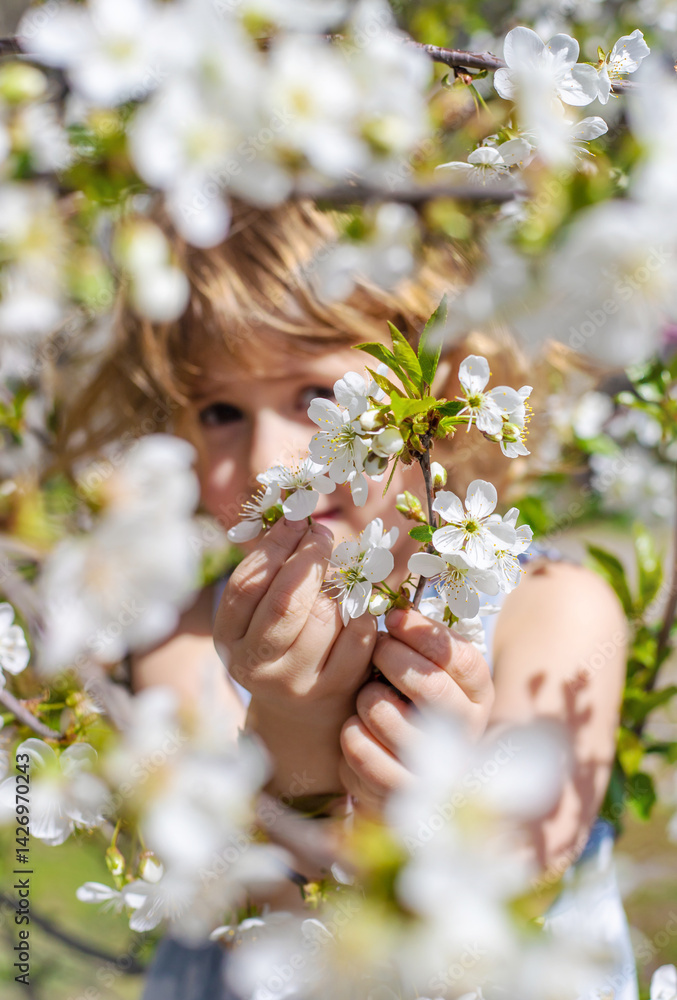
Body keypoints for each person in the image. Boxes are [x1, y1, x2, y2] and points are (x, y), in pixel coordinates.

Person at [57, 199, 636, 999]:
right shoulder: (188, 637)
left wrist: (431, 802)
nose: (269, 457)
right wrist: (292, 724)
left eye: (311, 396)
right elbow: (247, 900)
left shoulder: (552, 608)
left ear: (425, 396)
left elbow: (519, 883)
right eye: (220, 412)